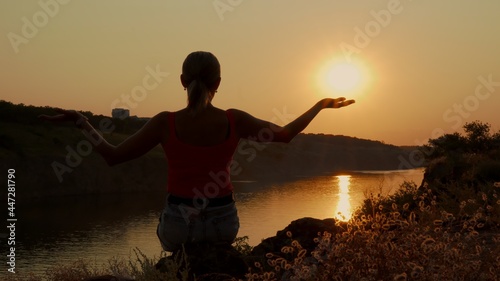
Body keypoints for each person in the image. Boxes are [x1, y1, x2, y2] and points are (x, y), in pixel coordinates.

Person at [40, 51, 355, 252]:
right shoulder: (235, 120)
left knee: (167, 234)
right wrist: (320, 104)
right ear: (218, 82)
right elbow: (286, 135)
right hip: (223, 226)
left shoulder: (165, 123)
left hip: (179, 227)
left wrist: (82, 123)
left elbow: (112, 155)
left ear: (182, 81)